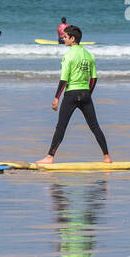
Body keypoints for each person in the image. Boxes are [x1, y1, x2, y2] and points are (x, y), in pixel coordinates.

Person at [38, 26, 111, 164]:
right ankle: (107, 157)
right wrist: (88, 94)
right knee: (95, 126)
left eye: (65, 36)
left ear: (72, 39)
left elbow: (64, 79)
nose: (63, 38)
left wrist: (56, 98)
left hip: (71, 94)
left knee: (61, 127)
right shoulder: (89, 55)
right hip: (85, 94)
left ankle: (49, 157)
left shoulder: (68, 55)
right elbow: (94, 78)